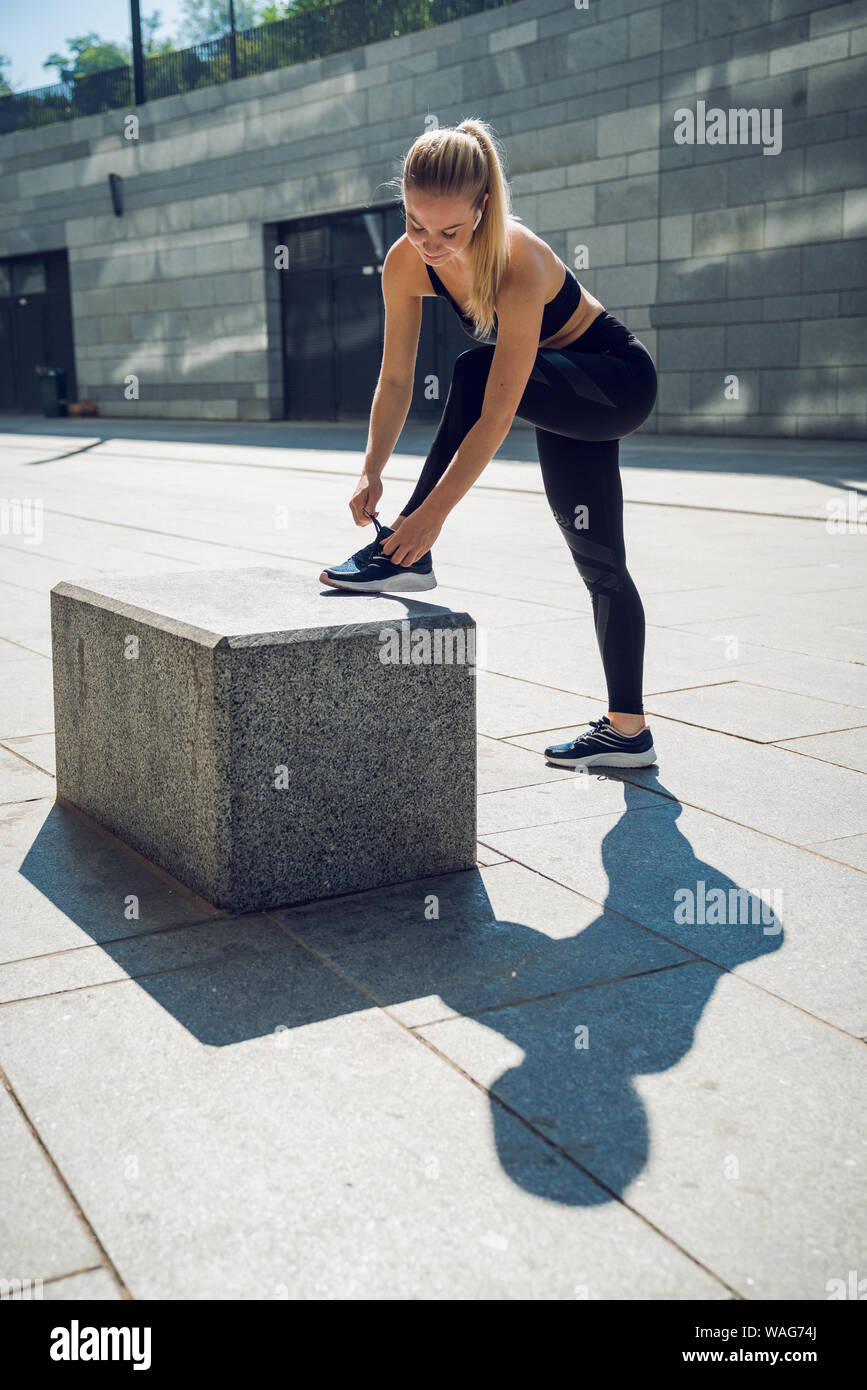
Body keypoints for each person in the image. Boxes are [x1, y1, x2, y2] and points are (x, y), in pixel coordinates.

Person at [320, 117, 659, 769]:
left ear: (482, 208)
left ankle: (404, 554)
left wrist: (429, 518)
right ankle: (627, 731)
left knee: (475, 371)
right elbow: (394, 376)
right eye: (417, 225)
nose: (432, 244)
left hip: (613, 383)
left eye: (449, 231)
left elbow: (497, 410)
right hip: (558, 393)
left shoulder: (518, 258)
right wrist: (371, 471)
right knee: (598, 558)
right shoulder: (403, 262)